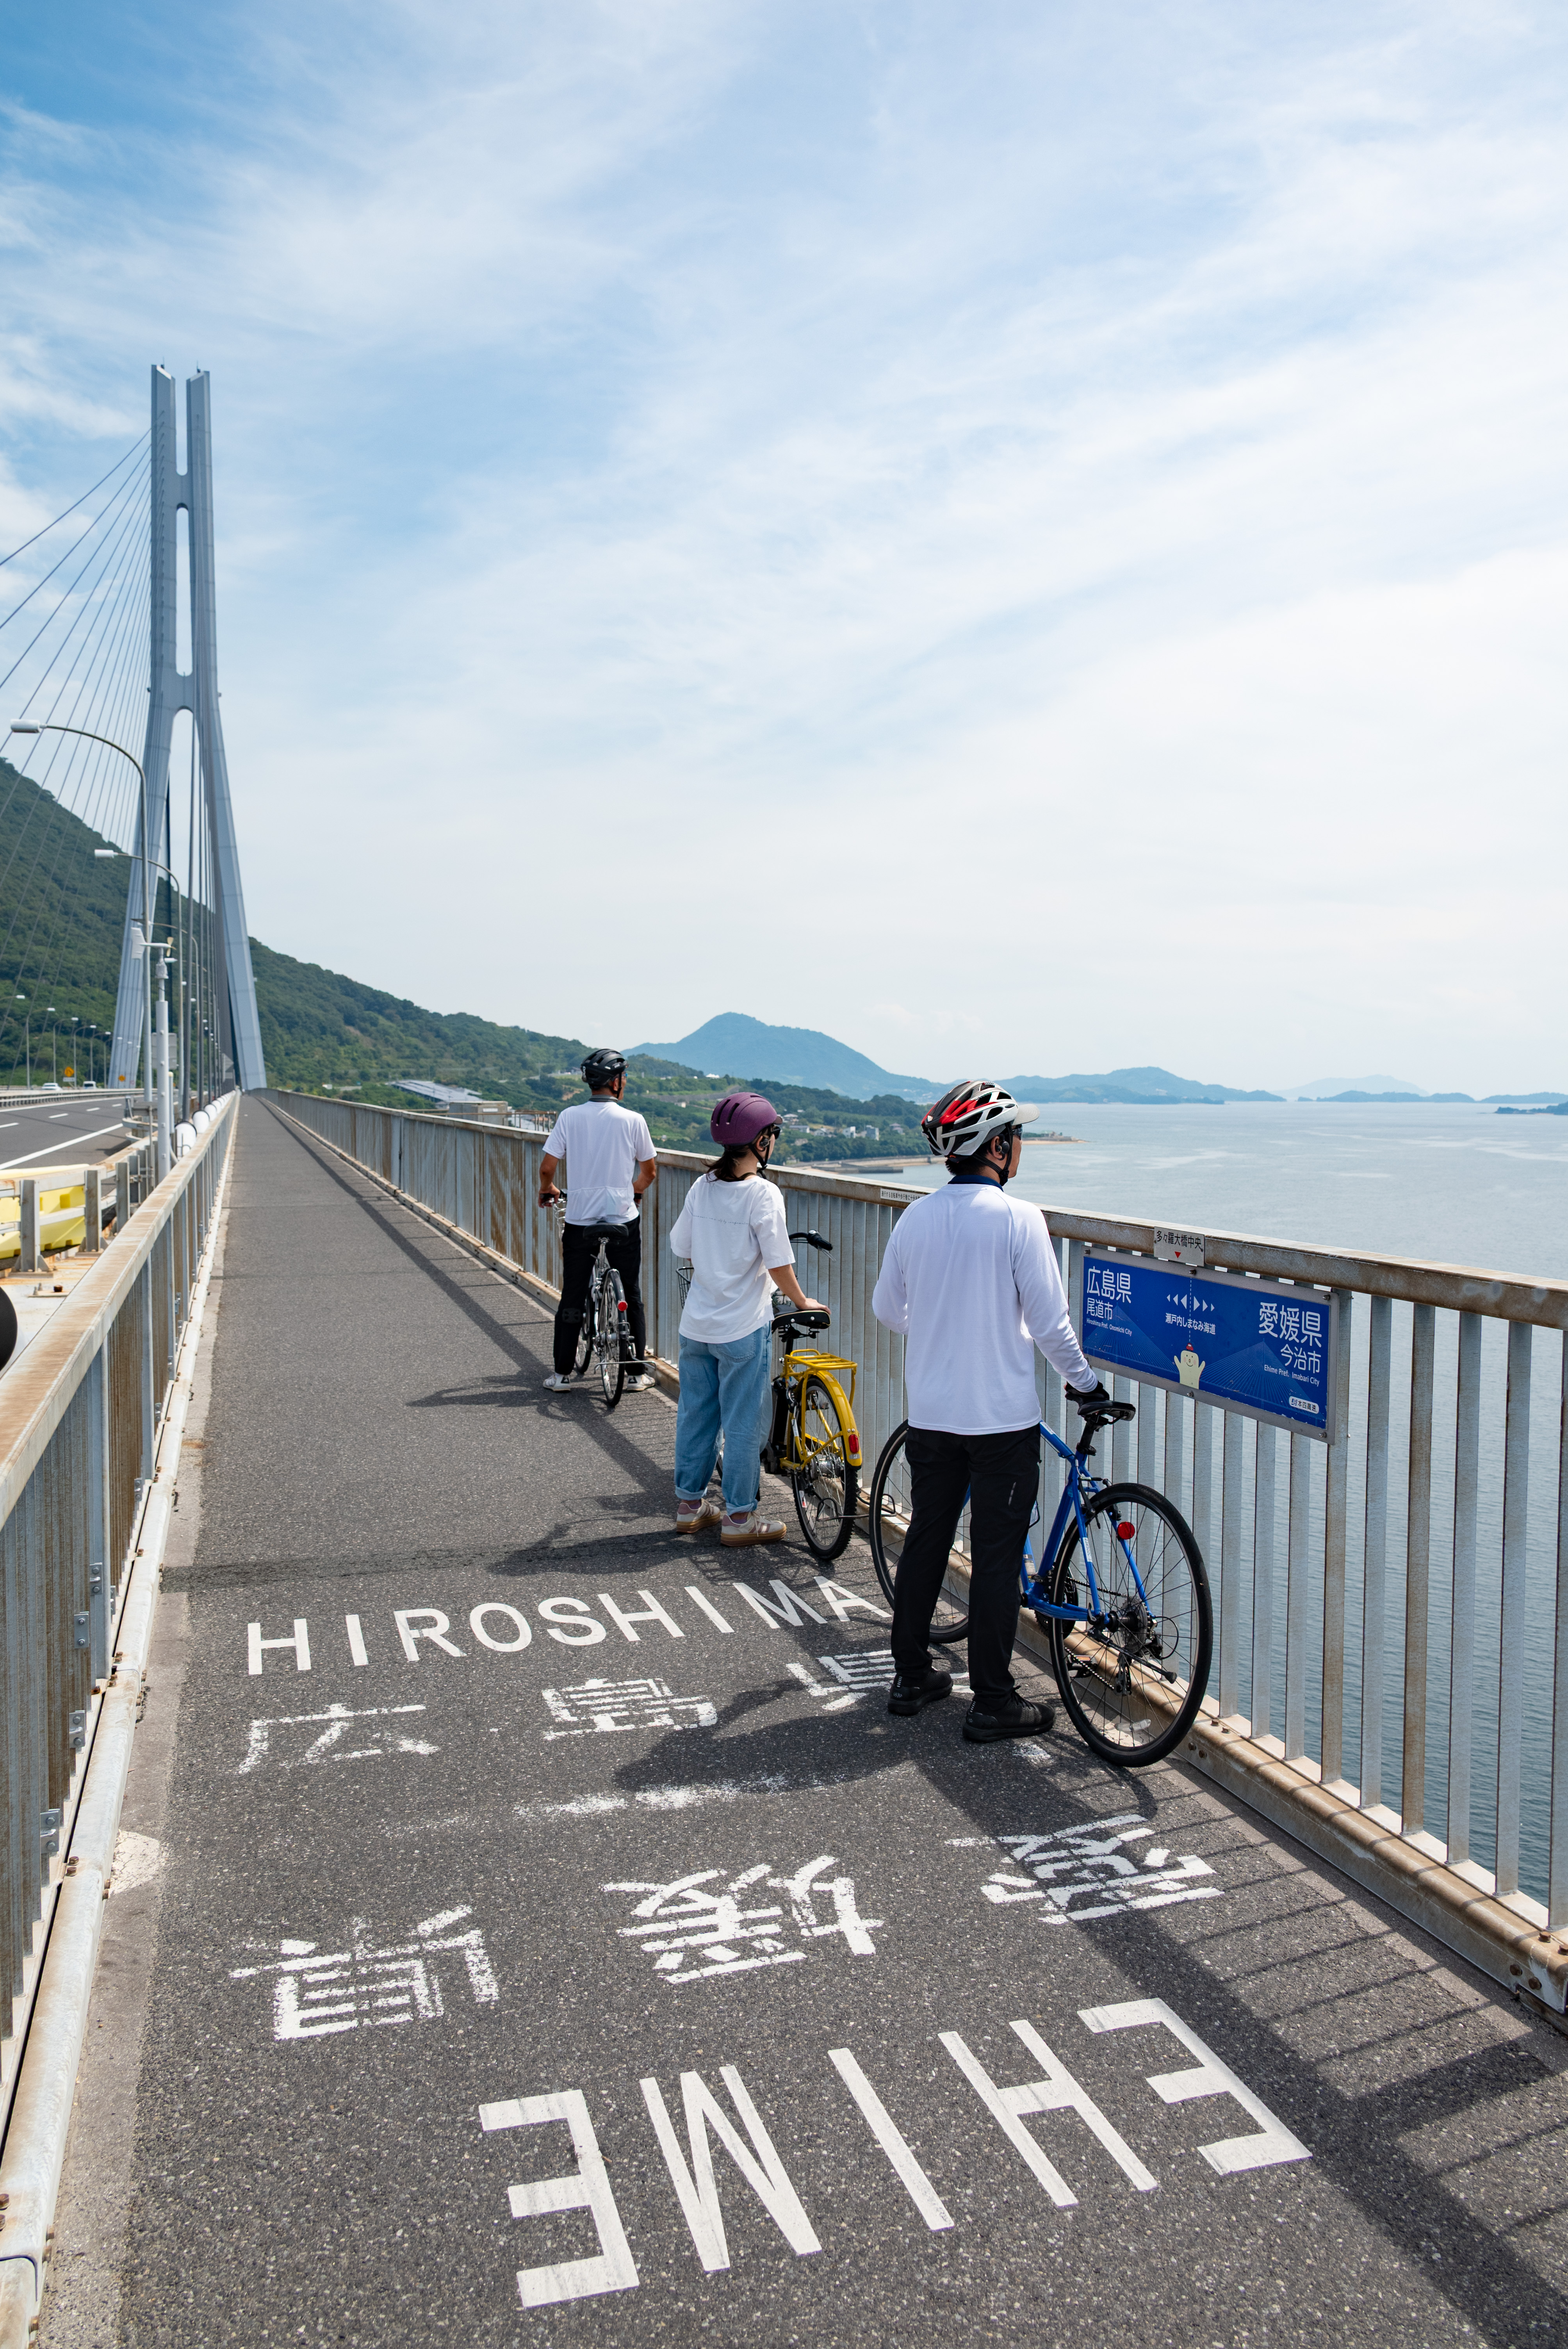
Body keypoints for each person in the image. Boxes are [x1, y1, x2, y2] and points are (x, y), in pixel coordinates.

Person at [870, 1078, 1114, 1743]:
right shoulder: (1018, 1219)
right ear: (999, 1145)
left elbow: (888, 1311)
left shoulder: (915, 1217)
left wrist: (943, 1329)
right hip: (1000, 1422)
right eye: (1017, 1137)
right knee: (997, 1557)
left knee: (927, 1538)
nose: (1020, 1147)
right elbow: (1051, 1323)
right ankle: (994, 1698)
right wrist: (1086, 1385)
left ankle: (912, 1674)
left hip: (931, 1414)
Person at [668, 1091, 823, 1547]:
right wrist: (800, 1300)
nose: (772, 1142)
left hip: (696, 1325)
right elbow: (778, 1262)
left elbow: (682, 1245)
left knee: (696, 1415)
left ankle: (689, 1506)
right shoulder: (763, 1193)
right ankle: (739, 1517)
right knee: (740, 1422)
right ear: (760, 1141)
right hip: (741, 1328)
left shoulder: (703, 1187)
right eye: (771, 1134)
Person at [538, 1049, 658, 1394]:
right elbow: (649, 1173)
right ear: (617, 1082)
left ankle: (561, 1375)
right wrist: (630, 1193)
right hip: (622, 1219)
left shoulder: (570, 1117)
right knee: (631, 1292)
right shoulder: (633, 1120)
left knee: (573, 1293)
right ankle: (635, 1374)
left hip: (580, 1220)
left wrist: (549, 1189)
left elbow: (548, 1168)